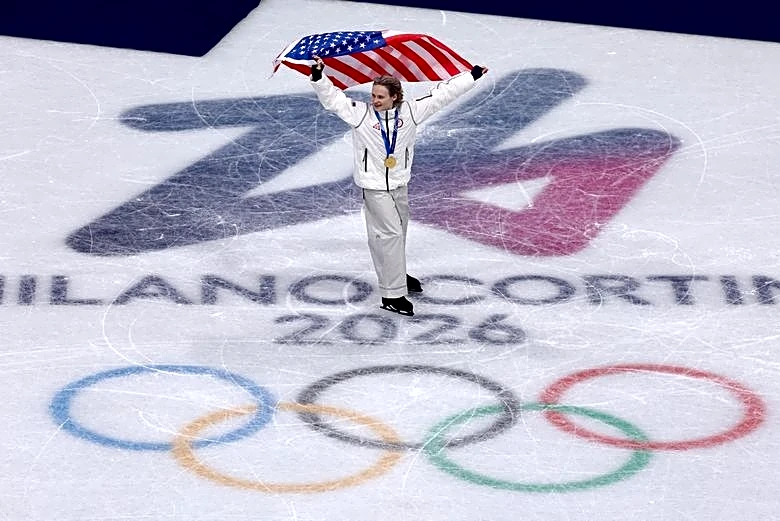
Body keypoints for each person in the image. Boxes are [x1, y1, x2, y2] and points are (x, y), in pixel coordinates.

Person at [309, 56, 488, 316]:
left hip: (400, 184)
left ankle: (396, 274)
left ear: (395, 97)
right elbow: (333, 100)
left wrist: (471, 76)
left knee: (397, 233)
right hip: (374, 188)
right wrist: (318, 77)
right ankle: (392, 295)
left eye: (380, 96)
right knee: (390, 235)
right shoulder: (361, 115)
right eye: (373, 95)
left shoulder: (411, 112)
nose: (375, 100)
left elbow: (442, 95)